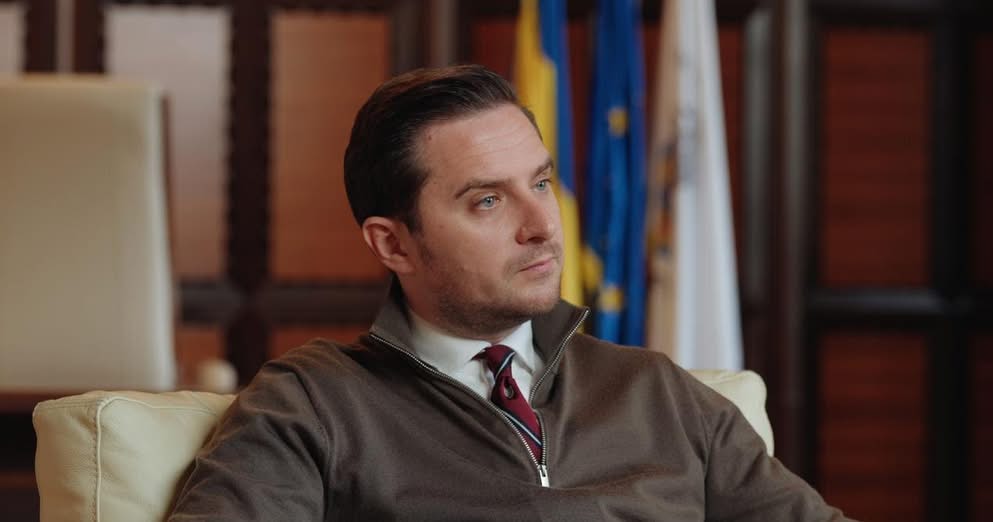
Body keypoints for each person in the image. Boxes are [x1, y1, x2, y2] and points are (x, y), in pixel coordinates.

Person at [169, 64, 851, 521]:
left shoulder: (659, 392)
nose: (542, 225)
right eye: (488, 201)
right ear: (393, 244)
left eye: (542, 183)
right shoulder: (312, 403)